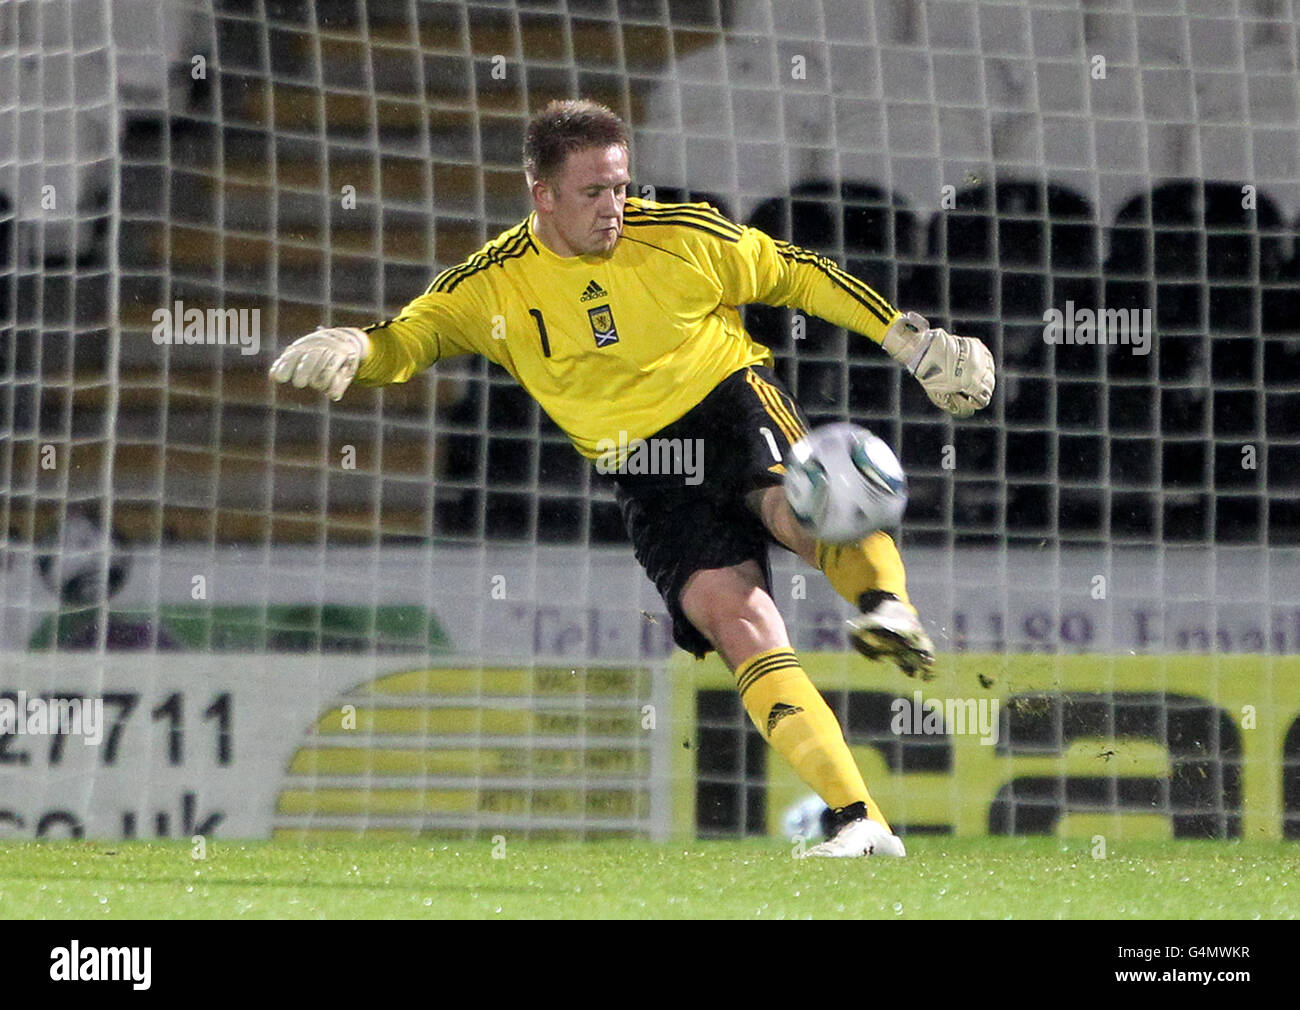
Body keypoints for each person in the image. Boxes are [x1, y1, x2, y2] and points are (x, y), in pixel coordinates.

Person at [269, 99, 994, 857]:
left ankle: (888, 608)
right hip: (640, 469)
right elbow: (413, 338)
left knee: (794, 507)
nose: (615, 207)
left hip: (726, 402)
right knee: (733, 619)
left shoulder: (681, 235)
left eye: (621, 186)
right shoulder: (495, 285)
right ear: (540, 193)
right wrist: (360, 344)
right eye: (593, 192)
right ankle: (861, 822)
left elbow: (798, 275)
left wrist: (911, 341)